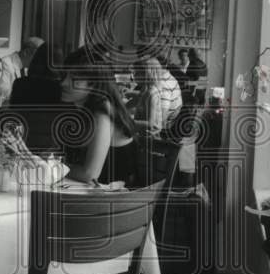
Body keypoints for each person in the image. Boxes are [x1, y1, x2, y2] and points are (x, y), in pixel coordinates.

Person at [58, 46, 138, 186]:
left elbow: (90, 174)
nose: (63, 83)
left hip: (116, 202)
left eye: (73, 79)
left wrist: (54, 167)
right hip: (93, 196)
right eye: (64, 76)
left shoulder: (102, 111)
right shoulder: (86, 108)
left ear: (93, 84)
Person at [134, 56, 182, 134]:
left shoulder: (154, 91)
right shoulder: (147, 88)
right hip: (144, 129)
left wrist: (127, 120)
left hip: (151, 135)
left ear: (147, 74)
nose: (134, 76)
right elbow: (142, 99)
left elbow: (153, 124)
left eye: (136, 73)